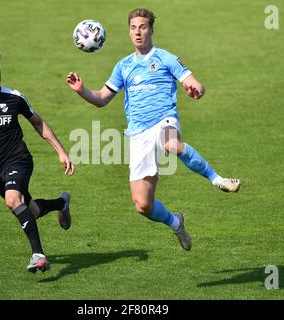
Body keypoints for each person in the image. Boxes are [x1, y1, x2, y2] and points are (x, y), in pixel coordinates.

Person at [66, 8, 240, 251]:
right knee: (142, 205)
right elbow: (102, 99)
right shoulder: (123, 66)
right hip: (138, 133)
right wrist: (81, 90)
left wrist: (195, 90)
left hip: (164, 120)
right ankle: (175, 222)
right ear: (129, 31)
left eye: (143, 27)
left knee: (171, 144)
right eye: (133, 28)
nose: (138, 32)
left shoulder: (166, 58)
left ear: (151, 30)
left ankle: (217, 179)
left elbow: (192, 82)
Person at [0, 50, 74, 272]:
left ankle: (38, 255)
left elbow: (39, 123)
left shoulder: (14, 97)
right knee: (30, 210)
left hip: (18, 159)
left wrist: (61, 151)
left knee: (13, 200)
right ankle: (61, 203)